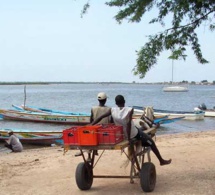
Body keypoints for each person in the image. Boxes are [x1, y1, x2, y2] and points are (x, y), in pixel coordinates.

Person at [91, 95, 171, 166]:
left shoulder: (112, 110)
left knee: (139, 129)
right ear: (124, 101)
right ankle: (161, 161)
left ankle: (143, 130)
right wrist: (129, 138)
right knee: (151, 142)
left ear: (115, 103)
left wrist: (91, 125)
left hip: (120, 134)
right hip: (133, 134)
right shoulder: (129, 110)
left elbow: (100, 117)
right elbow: (128, 123)